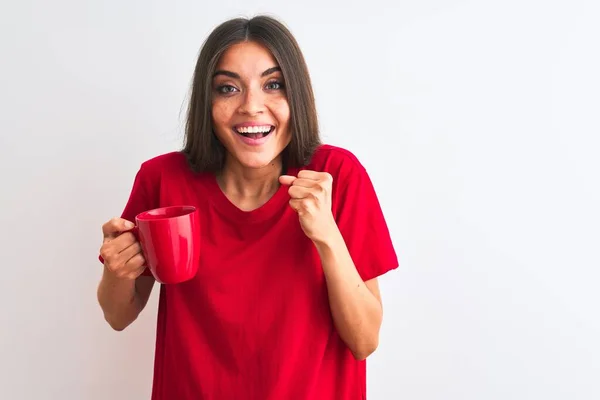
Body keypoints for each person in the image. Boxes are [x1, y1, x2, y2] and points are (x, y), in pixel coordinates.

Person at [97, 15, 398, 400]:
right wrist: (116, 272)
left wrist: (326, 235)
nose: (251, 107)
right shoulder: (162, 179)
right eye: (228, 88)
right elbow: (119, 315)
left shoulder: (336, 176)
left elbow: (364, 340)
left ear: (297, 96)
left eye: (273, 85)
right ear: (207, 103)